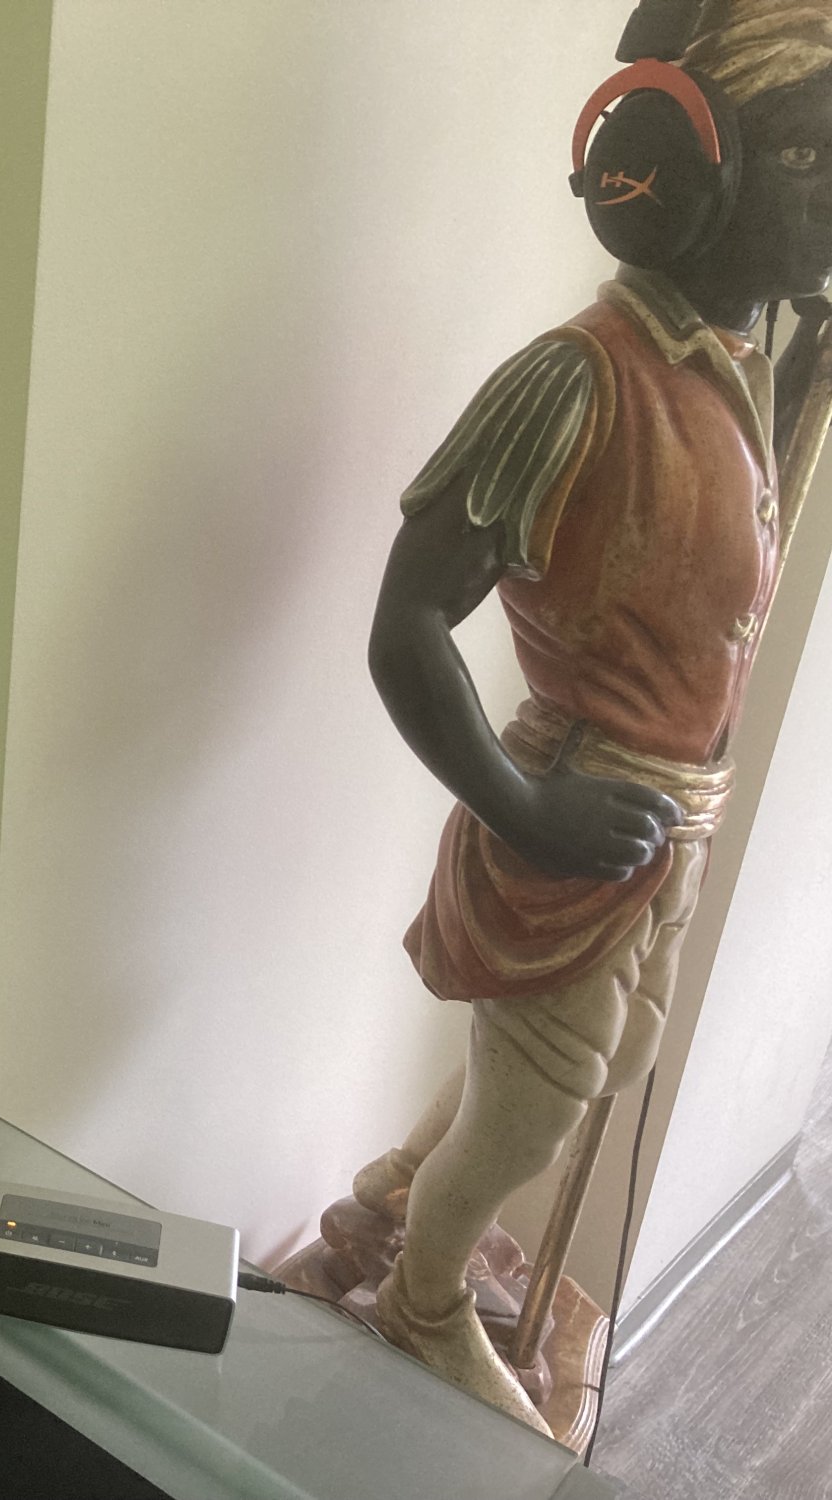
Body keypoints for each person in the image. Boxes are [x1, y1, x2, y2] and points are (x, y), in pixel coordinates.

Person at [358, 0, 832, 1433]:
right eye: (811, 163)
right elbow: (403, 625)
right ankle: (420, 1300)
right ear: (686, 168)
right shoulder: (572, 379)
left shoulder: (734, 358)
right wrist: (525, 810)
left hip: (668, 818)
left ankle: (394, 1191)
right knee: (542, 1099)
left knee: (600, 1062)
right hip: (575, 817)